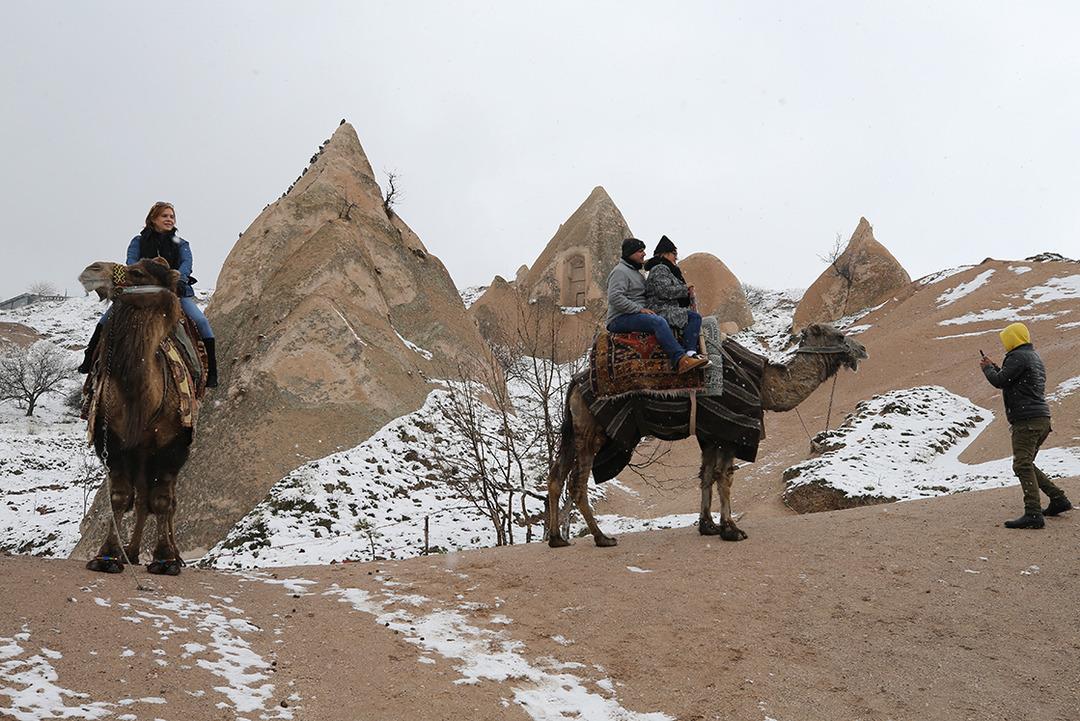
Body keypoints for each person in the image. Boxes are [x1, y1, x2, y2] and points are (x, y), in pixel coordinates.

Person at [78, 201, 218, 388]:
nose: (169, 219)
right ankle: (90, 358)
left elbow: (186, 265)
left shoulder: (182, 244)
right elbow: (131, 262)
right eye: (164, 216)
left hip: (174, 290)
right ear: (153, 219)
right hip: (142, 290)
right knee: (107, 318)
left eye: (172, 216)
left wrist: (177, 277)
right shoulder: (138, 242)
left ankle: (212, 372)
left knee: (200, 321)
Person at [980, 321, 1070, 528]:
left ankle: (1033, 514)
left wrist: (987, 370)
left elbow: (1001, 381)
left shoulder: (1018, 356)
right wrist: (995, 367)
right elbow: (1011, 378)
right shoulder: (1032, 356)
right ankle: (1058, 499)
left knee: (1021, 464)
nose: (1005, 344)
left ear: (1013, 339)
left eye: (1006, 340)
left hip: (1027, 420)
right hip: (1041, 419)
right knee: (1027, 463)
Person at [606, 238, 708, 374]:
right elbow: (615, 297)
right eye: (640, 251)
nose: (644, 254)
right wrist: (639, 309)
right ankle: (680, 359)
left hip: (634, 314)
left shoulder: (636, 273)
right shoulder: (620, 271)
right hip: (620, 318)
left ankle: (690, 353)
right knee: (658, 321)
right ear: (630, 253)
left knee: (691, 318)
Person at [644, 235, 704, 360]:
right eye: (673, 253)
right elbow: (663, 291)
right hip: (661, 309)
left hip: (666, 307)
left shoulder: (666, 269)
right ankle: (690, 352)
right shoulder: (660, 268)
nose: (676, 256)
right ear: (665, 254)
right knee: (694, 318)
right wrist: (685, 288)